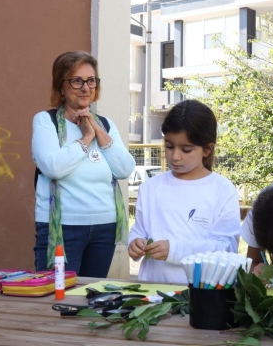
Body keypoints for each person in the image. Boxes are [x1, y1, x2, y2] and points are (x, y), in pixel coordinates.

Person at [32, 51, 135, 276]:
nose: (85, 88)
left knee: (90, 299)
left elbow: (125, 168)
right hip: (63, 227)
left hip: (104, 226)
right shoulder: (45, 121)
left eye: (91, 81)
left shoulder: (105, 125)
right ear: (61, 85)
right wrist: (86, 138)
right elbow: (53, 167)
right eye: (76, 81)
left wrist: (98, 131)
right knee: (56, 297)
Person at [127, 99, 241, 284]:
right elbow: (139, 230)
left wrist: (174, 251)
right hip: (152, 291)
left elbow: (226, 249)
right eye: (169, 146)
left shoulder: (221, 189)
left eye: (186, 149)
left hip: (200, 293)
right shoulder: (150, 188)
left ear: (207, 149)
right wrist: (135, 242)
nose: (175, 156)